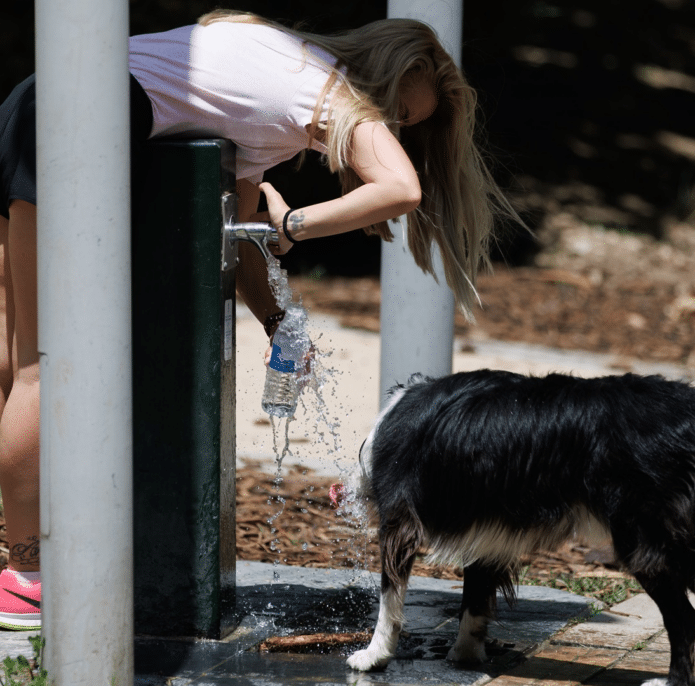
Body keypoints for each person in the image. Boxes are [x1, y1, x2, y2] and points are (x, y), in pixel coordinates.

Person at [0, 9, 521, 629]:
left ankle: (20, 557)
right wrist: (297, 223)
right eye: (400, 115)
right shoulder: (323, 90)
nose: (392, 132)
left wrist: (279, 322)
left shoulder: (269, 89)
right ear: (383, 82)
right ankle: (25, 577)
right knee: (41, 369)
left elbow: (237, 239)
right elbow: (401, 189)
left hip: (38, 99)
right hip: (81, 118)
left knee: (12, 353)